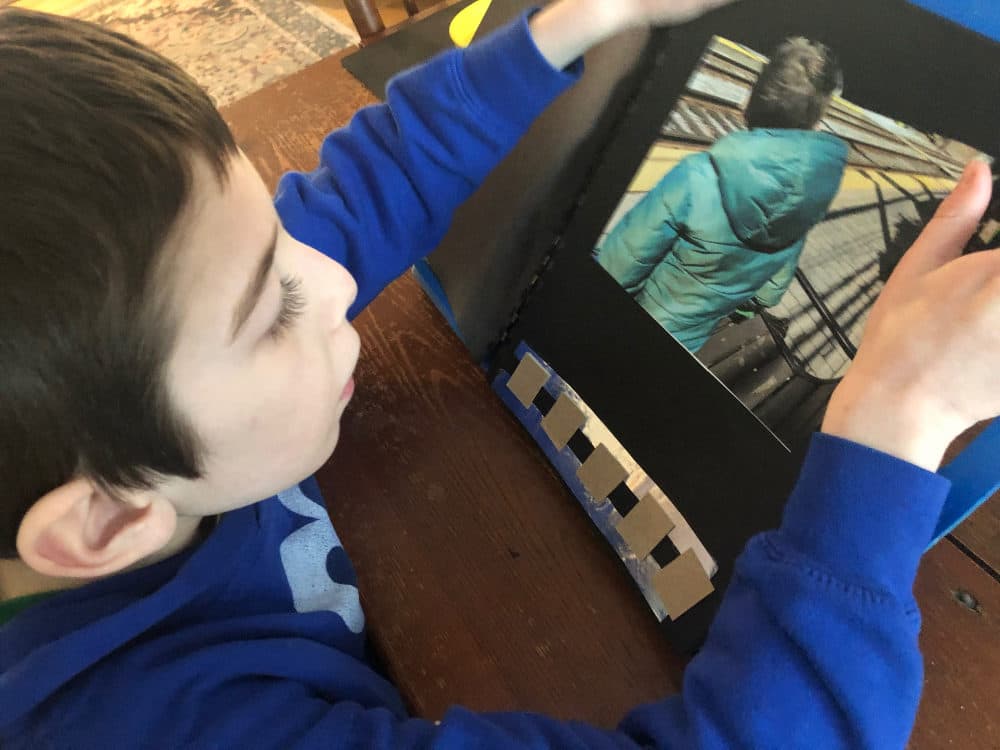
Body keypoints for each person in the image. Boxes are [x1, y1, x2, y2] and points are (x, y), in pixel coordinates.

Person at [0, 3, 995, 748]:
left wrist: (571, 26)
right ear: (103, 524)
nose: (331, 273)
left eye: (275, 231)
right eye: (273, 309)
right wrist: (894, 417)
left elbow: (358, 192)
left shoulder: (105, 407)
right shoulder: (160, 724)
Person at [597, 37, 848, 352]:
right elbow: (769, 294)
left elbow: (618, 266)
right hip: (685, 344)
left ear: (755, 99)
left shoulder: (698, 177)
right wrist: (736, 308)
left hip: (624, 326)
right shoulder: (805, 206)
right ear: (813, 121)